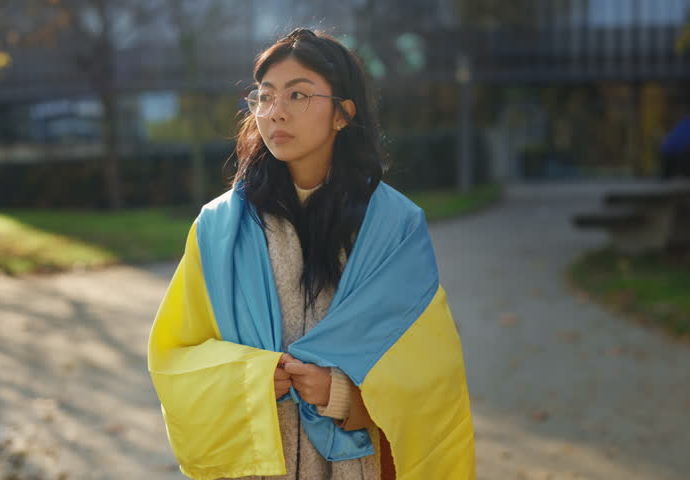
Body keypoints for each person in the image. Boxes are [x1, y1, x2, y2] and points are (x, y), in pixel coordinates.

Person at [147, 29, 475, 480]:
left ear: (343, 114)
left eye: (297, 94)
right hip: (261, 462)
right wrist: (251, 379)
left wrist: (345, 394)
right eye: (264, 97)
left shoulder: (393, 226)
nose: (275, 112)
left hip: (355, 461)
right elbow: (176, 357)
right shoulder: (218, 228)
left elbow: (429, 374)